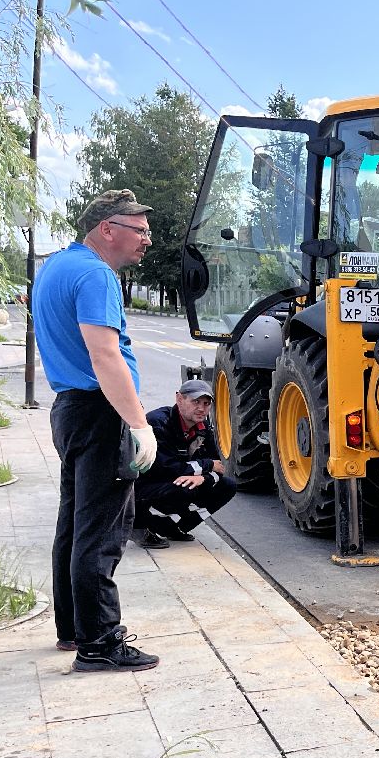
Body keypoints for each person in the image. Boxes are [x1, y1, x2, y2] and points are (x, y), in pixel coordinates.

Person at [32, 189, 160, 672]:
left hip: (70, 409)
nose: (147, 240)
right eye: (139, 230)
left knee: (74, 524)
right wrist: (138, 424)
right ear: (107, 228)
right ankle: (101, 643)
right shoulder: (96, 274)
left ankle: (74, 629)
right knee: (102, 531)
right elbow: (104, 355)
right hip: (100, 414)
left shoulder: (57, 268)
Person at [135, 379, 238, 549]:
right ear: (179, 399)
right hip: (143, 486)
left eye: (206, 404)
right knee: (184, 487)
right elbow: (167, 469)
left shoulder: (203, 427)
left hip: (175, 481)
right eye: (195, 402)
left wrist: (203, 478)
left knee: (227, 486)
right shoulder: (158, 422)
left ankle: (172, 527)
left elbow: (218, 467)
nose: (201, 409)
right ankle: (139, 525)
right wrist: (205, 466)